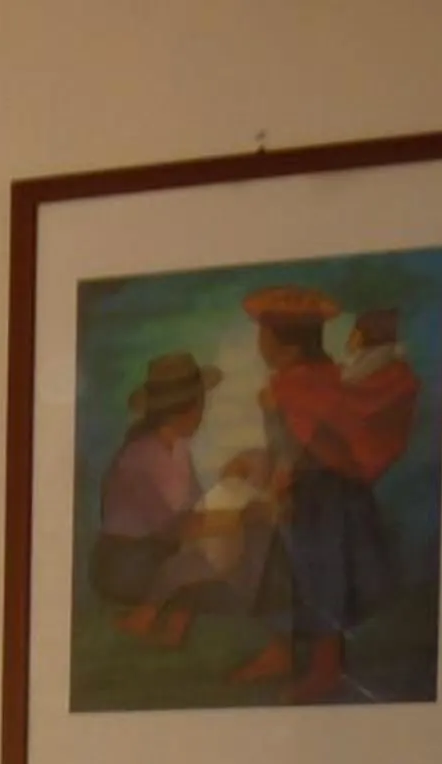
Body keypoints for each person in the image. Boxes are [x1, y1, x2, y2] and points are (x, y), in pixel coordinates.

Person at [228, 284, 418, 702]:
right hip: (312, 494)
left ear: (286, 344)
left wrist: (282, 481)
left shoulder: (298, 387)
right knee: (281, 574)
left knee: (321, 581)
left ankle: (326, 670)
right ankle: (280, 652)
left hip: (322, 502)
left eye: (264, 335)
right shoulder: (312, 380)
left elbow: (311, 447)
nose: (260, 343)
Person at [88, 350, 251, 650]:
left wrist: (231, 484)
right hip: (125, 563)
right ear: (183, 410)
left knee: (209, 564)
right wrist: (241, 518)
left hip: (157, 552)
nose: (202, 413)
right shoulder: (141, 456)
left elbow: (195, 510)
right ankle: (149, 619)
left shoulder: (177, 449)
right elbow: (175, 527)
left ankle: (165, 626)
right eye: (200, 404)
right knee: (203, 573)